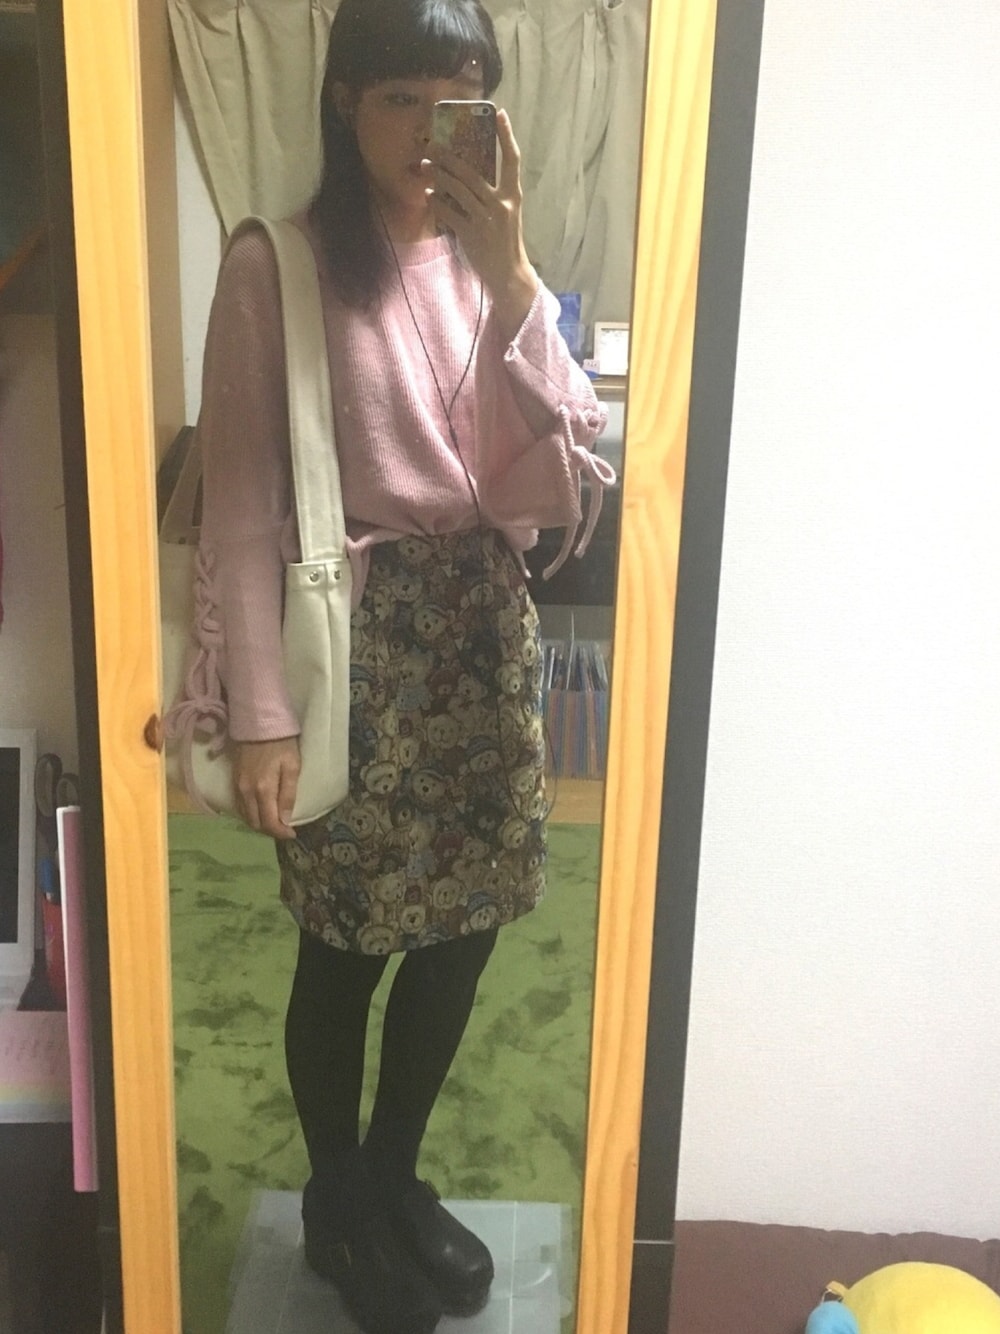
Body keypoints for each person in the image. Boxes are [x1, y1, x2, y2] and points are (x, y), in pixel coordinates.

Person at [189, 0, 613, 1330]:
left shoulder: (500, 266)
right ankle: (338, 1198)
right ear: (344, 104)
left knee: (466, 929)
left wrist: (518, 282)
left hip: (482, 632)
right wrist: (258, 717)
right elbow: (239, 508)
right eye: (398, 101)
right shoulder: (280, 265)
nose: (429, 133)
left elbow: (566, 466)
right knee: (345, 947)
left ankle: (391, 1174)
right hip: (356, 643)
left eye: (459, 98)